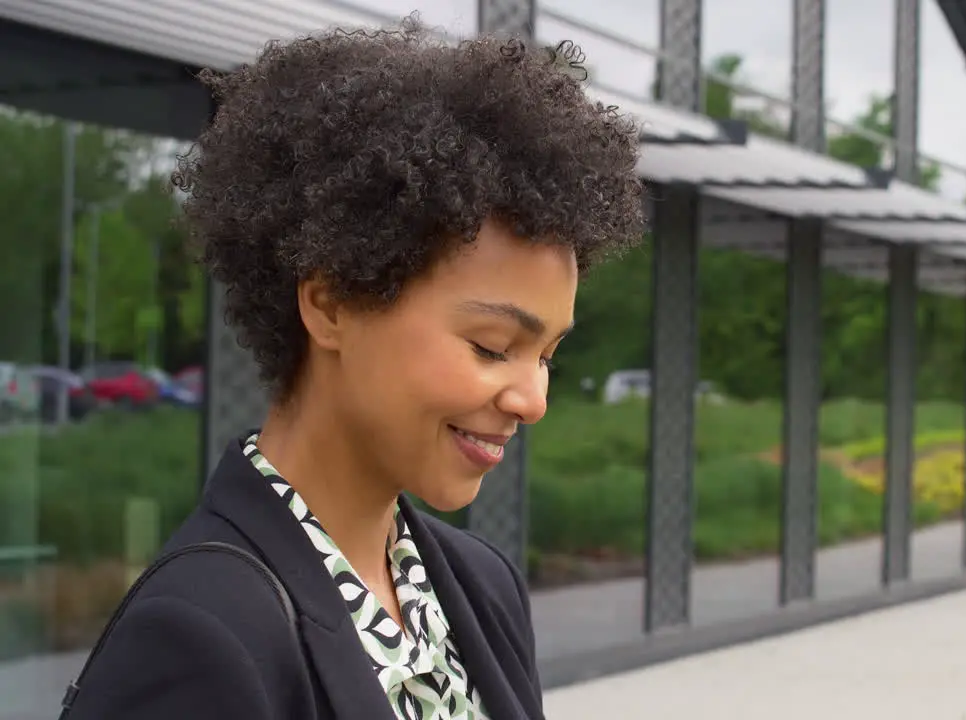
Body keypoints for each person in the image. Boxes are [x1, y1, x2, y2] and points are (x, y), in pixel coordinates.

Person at [62, 17, 645, 720]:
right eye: (493, 346)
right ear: (332, 303)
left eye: (547, 355)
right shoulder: (199, 635)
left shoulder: (480, 586)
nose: (532, 399)